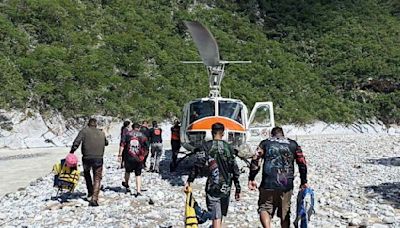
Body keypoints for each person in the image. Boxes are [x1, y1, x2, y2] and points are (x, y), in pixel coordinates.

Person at [248, 126, 308, 228]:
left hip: (268, 182)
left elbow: (256, 160)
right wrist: (304, 181)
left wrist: (252, 178)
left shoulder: (265, 143)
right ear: (283, 134)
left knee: (264, 208)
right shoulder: (293, 144)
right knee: (285, 213)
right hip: (286, 184)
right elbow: (302, 163)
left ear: (271, 134)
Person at [184, 122, 241, 228]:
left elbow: (198, 165)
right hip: (226, 186)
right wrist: (238, 188)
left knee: (216, 215)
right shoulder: (228, 147)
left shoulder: (206, 146)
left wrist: (190, 180)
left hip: (213, 184)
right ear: (223, 133)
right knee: (220, 214)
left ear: (211, 132)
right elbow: (235, 169)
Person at [70, 118, 108, 206]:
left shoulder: (84, 131)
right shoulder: (101, 133)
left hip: (86, 157)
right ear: (96, 125)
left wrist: (72, 152)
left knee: (87, 173)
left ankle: (90, 191)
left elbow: (77, 142)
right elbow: (106, 143)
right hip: (98, 158)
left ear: (88, 124)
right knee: (97, 178)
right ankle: (94, 198)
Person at [118, 122, 148, 196]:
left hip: (128, 156)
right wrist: (144, 156)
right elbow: (147, 146)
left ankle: (127, 184)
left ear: (132, 127)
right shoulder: (143, 136)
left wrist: (120, 154)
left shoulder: (127, 134)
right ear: (139, 128)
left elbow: (122, 144)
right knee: (138, 174)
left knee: (127, 171)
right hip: (139, 157)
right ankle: (138, 191)